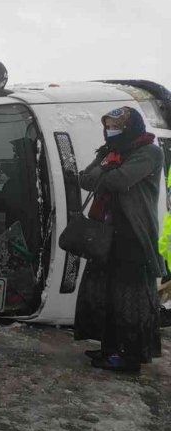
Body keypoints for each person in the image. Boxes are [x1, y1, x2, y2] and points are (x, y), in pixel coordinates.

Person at [74, 106, 165, 372]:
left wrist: (105, 171)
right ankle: (110, 347)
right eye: (108, 125)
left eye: (116, 126)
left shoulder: (149, 152)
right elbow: (84, 179)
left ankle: (131, 357)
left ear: (131, 127)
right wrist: (106, 171)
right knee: (107, 294)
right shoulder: (108, 152)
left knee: (131, 299)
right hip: (106, 233)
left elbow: (119, 180)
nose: (110, 130)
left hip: (133, 235)